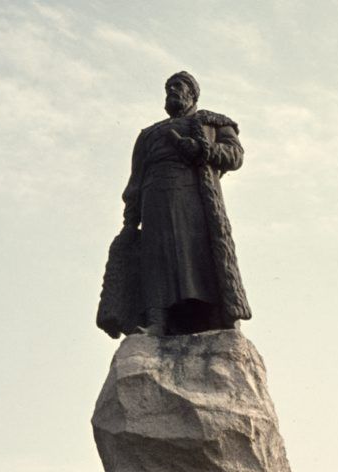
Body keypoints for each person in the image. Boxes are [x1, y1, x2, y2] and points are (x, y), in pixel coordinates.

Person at [97, 71, 251, 337]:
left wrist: (204, 150)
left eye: (178, 86)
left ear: (193, 93)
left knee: (198, 254)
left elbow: (235, 155)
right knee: (156, 258)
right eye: (168, 87)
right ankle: (157, 321)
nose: (172, 90)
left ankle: (210, 318)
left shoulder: (213, 123)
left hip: (195, 198)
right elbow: (135, 180)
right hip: (154, 198)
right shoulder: (148, 134)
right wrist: (130, 222)